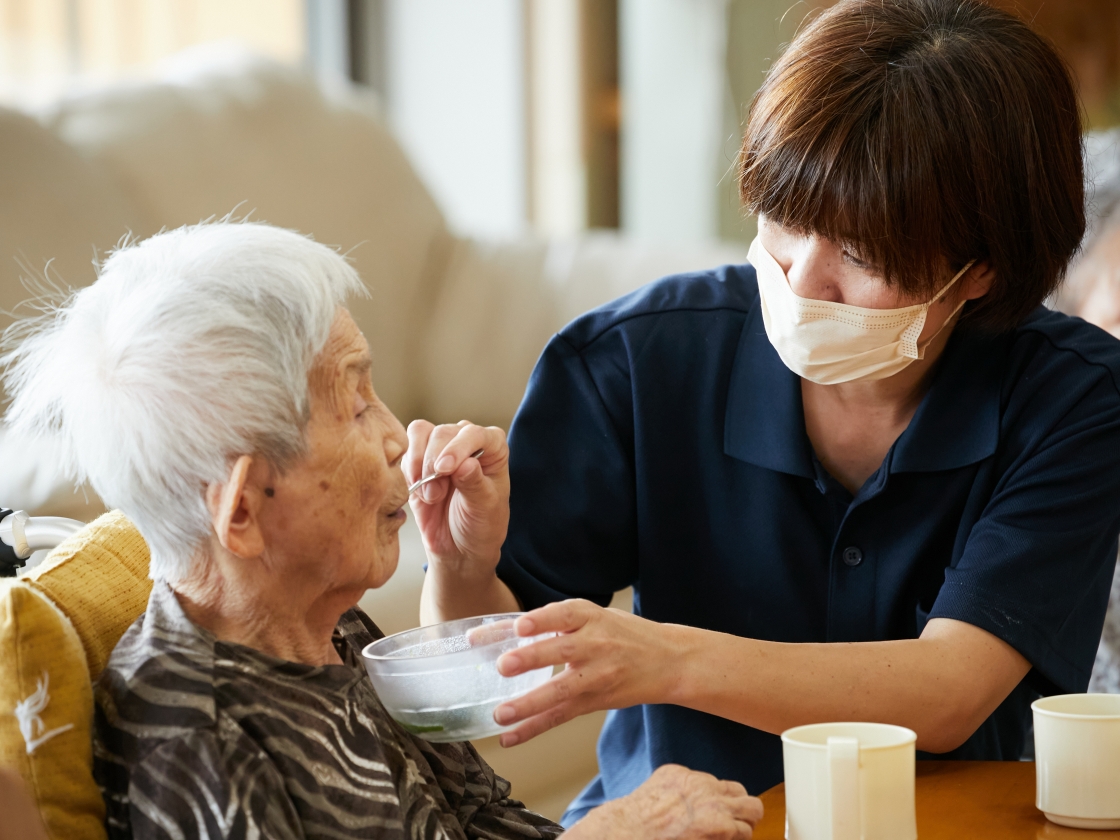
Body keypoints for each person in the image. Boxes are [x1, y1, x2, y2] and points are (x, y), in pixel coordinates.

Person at [407, 0, 1120, 826]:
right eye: (786, 218)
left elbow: (952, 691)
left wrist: (668, 658)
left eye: (861, 254)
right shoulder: (634, 362)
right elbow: (494, 677)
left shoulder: (1075, 396)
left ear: (980, 271)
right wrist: (462, 565)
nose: (800, 277)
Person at [1, 223, 763, 839]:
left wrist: (465, 564)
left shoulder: (331, 632)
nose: (400, 435)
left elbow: (481, 818)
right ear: (242, 513)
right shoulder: (196, 738)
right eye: (356, 405)